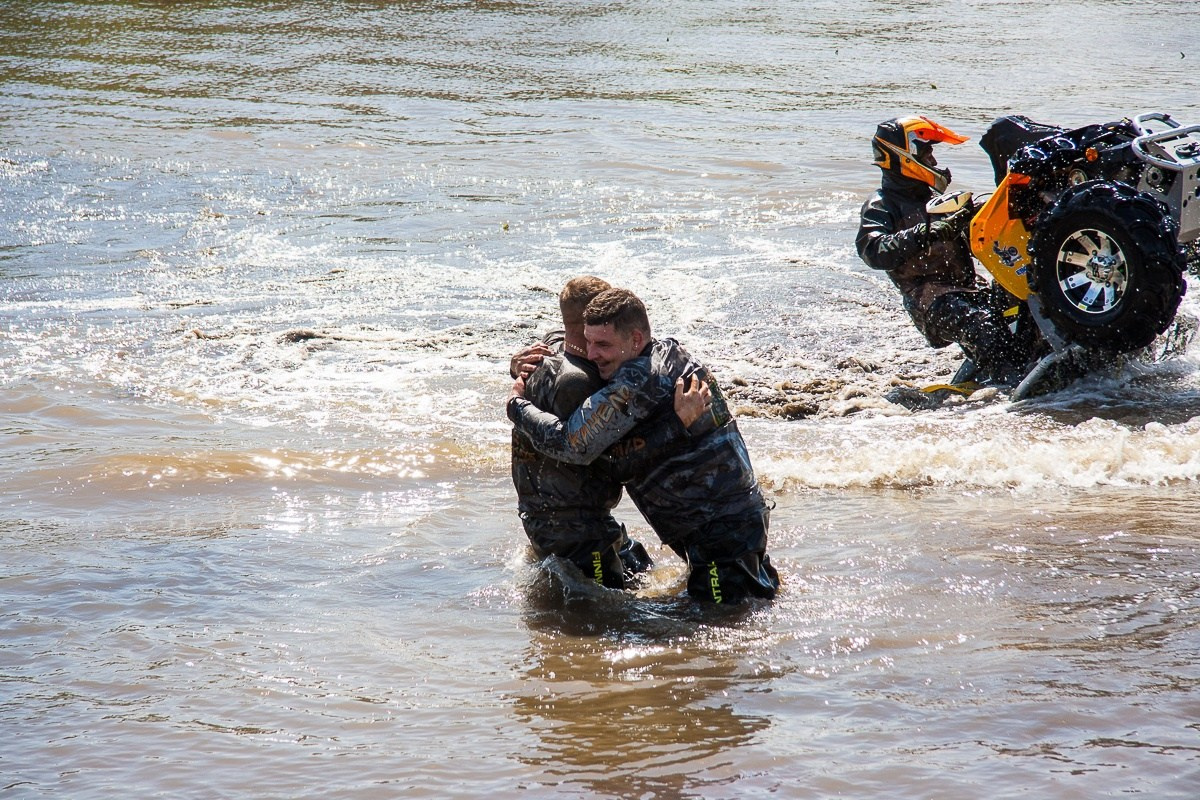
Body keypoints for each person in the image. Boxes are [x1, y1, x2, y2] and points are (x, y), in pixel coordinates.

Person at [507, 288, 779, 605]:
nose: (592, 355)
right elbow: (562, 342)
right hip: (733, 518)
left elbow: (575, 445)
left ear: (635, 339)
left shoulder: (638, 379)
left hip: (720, 530)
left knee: (723, 627)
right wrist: (519, 364)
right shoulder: (669, 351)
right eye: (589, 342)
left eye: (603, 345)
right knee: (759, 601)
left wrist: (516, 406)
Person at [511, 276, 710, 590]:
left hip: (546, 518)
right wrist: (678, 424)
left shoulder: (548, 351)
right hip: (578, 528)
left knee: (643, 569)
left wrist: (514, 376)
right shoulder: (583, 383)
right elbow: (608, 457)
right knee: (611, 616)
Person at [855, 115, 1031, 386]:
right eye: (928, 155)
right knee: (982, 326)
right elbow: (873, 250)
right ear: (905, 157)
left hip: (972, 289)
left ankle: (1015, 369)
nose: (934, 163)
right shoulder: (881, 205)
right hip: (931, 301)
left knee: (1026, 306)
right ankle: (1011, 392)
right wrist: (924, 232)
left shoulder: (941, 203)